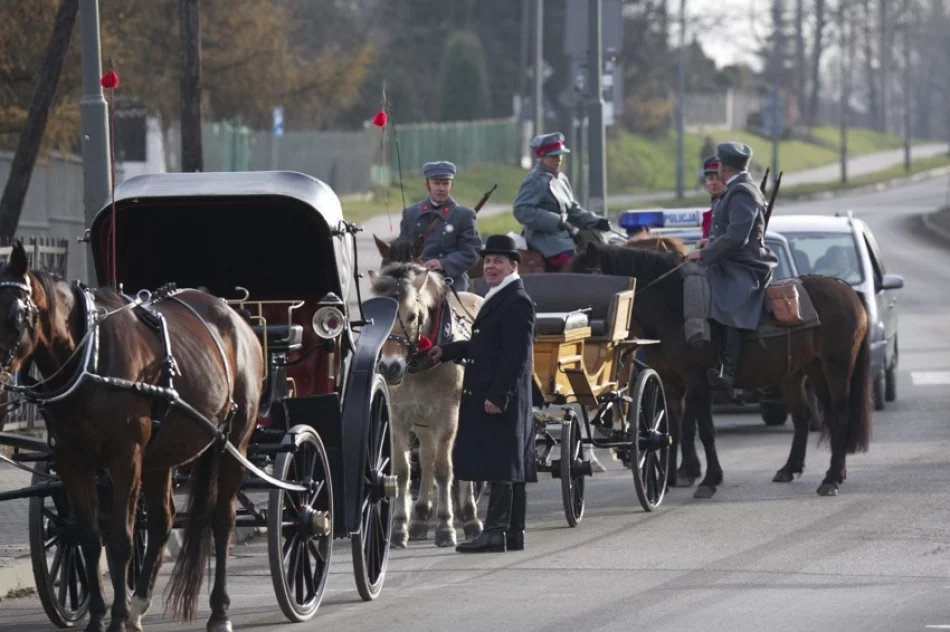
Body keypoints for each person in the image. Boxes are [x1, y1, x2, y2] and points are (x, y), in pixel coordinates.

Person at [428, 234, 537, 553]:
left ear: (513, 265)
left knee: (501, 463)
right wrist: (445, 351)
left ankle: (494, 532)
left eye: (498, 261)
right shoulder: (500, 295)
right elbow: (485, 345)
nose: (490, 266)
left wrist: (498, 396)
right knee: (509, 464)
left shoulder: (516, 300)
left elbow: (516, 356)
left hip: (500, 396)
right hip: (497, 393)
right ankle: (513, 532)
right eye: (487, 261)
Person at [687, 142, 778, 391]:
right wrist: (711, 241)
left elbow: (738, 237)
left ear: (724, 166)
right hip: (729, 261)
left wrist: (704, 253)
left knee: (726, 301)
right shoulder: (735, 189)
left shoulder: (742, 192)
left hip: (744, 266)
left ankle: (729, 371)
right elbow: (729, 232)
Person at [513, 132, 611, 270]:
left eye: (560, 155)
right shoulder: (535, 180)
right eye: (553, 156)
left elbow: (571, 209)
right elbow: (521, 210)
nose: (558, 159)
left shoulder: (561, 178)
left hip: (565, 236)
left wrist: (595, 221)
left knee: (601, 251)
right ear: (541, 157)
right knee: (577, 264)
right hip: (545, 239)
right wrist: (556, 221)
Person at [398, 160, 482, 291]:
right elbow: (402, 249)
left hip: (451, 282)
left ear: (452, 185)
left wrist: (443, 263)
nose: (441, 188)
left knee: (458, 309)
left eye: (445, 183)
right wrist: (415, 263)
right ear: (427, 185)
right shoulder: (411, 213)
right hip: (417, 281)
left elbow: (471, 251)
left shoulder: (464, 215)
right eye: (436, 183)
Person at [699, 155, 726, 240]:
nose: (714, 183)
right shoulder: (709, 216)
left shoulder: (731, 207)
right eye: (710, 178)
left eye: (718, 178)